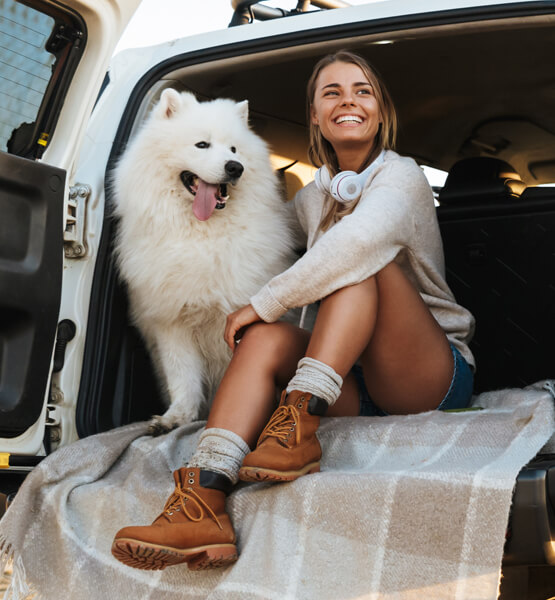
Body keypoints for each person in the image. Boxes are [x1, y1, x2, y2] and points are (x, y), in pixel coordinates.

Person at [111, 50, 475, 571]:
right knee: (262, 337)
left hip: (426, 376)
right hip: (351, 385)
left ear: (380, 110)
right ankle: (201, 500)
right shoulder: (312, 200)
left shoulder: (404, 177)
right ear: (315, 115)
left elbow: (356, 245)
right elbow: (259, 226)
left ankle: (295, 426)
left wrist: (263, 301)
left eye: (362, 91)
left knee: (360, 263)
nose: (347, 101)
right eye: (332, 93)